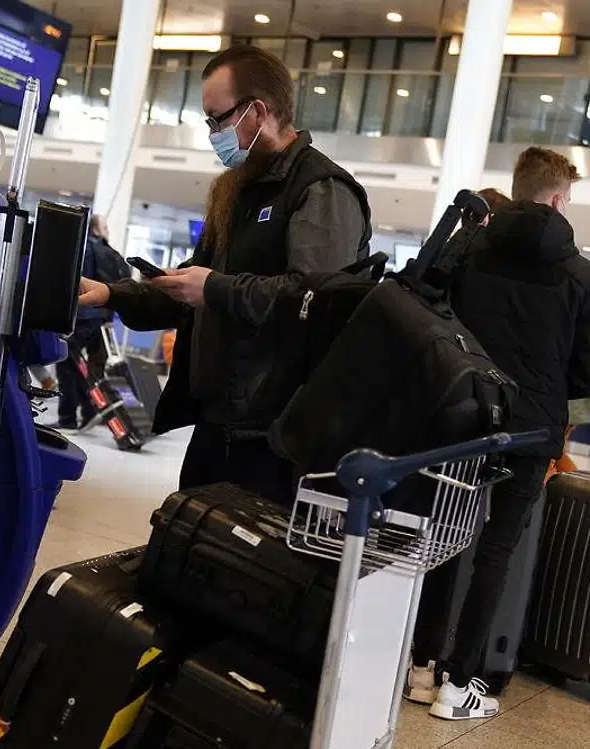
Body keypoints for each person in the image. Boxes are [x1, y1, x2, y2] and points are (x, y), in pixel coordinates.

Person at [76, 45, 371, 504]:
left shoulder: (321, 190)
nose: (213, 133)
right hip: (219, 421)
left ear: (257, 111)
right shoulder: (235, 191)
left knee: (242, 568)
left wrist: (214, 287)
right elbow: (189, 292)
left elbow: (315, 302)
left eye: (218, 119)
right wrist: (112, 294)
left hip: (275, 436)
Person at [405, 146, 590, 721]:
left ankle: (422, 668)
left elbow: (433, 317)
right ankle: (460, 685)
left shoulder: (469, 248)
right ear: (558, 197)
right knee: (496, 551)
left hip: (466, 413)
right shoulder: (584, 275)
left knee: (446, 534)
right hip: (532, 427)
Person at [56, 215, 129, 430]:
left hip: (83, 315)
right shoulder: (112, 253)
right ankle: (89, 412)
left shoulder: (86, 249)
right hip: (103, 318)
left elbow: (79, 283)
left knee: (67, 364)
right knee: (91, 368)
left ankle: (67, 419)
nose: (107, 230)